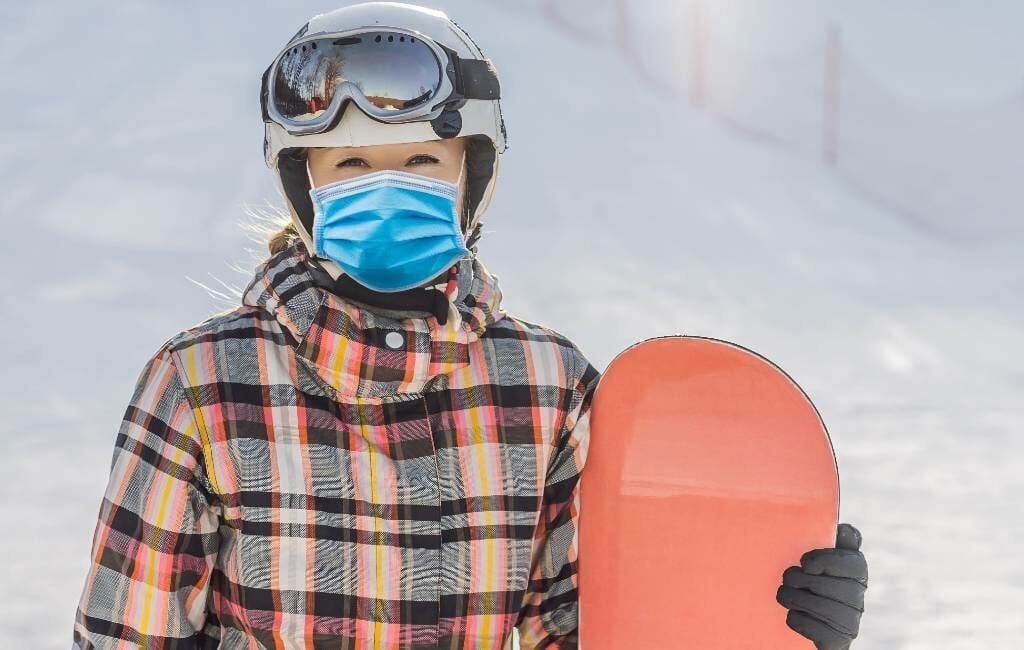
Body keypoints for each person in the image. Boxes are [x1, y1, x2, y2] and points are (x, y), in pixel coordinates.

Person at [72, 3, 867, 648]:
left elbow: (585, 631)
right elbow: (126, 634)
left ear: (472, 177)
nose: (386, 187)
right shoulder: (206, 381)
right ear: (302, 187)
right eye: (349, 165)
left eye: (422, 163)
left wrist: (745, 611)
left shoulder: (546, 384)